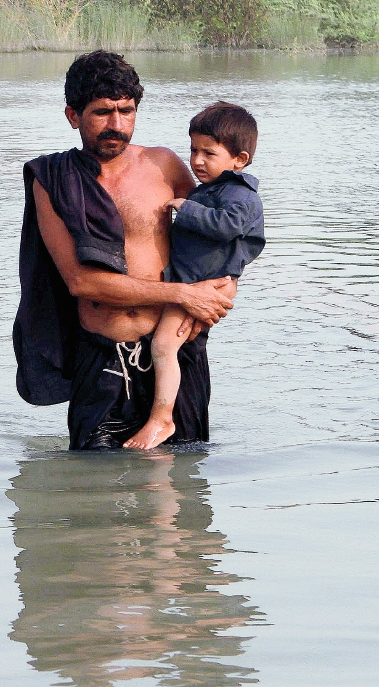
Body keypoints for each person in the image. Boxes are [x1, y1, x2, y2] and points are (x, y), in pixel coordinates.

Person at [14, 50, 238, 451]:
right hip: (102, 359)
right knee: (94, 495)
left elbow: (222, 234)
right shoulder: (52, 179)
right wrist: (183, 294)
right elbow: (82, 282)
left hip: (175, 350)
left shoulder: (165, 165)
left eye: (127, 111)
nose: (117, 125)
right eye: (102, 112)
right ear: (72, 115)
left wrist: (221, 296)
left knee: (183, 488)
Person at [123, 103, 265, 449]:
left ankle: (162, 418)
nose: (197, 161)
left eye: (208, 153)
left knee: (163, 346)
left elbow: (226, 227)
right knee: (168, 343)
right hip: (190, 283)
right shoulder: (214, 189)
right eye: (193, 150)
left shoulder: (240, 196)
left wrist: (186, 208)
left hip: (199, 287)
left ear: (240, 159)